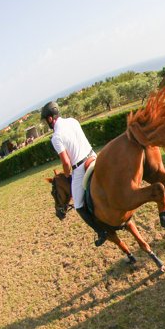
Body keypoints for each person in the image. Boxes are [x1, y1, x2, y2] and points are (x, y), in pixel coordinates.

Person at [42, 101, 107, 246]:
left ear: (50, 118)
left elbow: (66, 162)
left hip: (80, 168)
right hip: (93, 156)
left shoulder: (56, 137)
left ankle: (101, 232)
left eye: (46, 120)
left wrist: (66, 174)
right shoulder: (72, 120)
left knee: (78, 205)